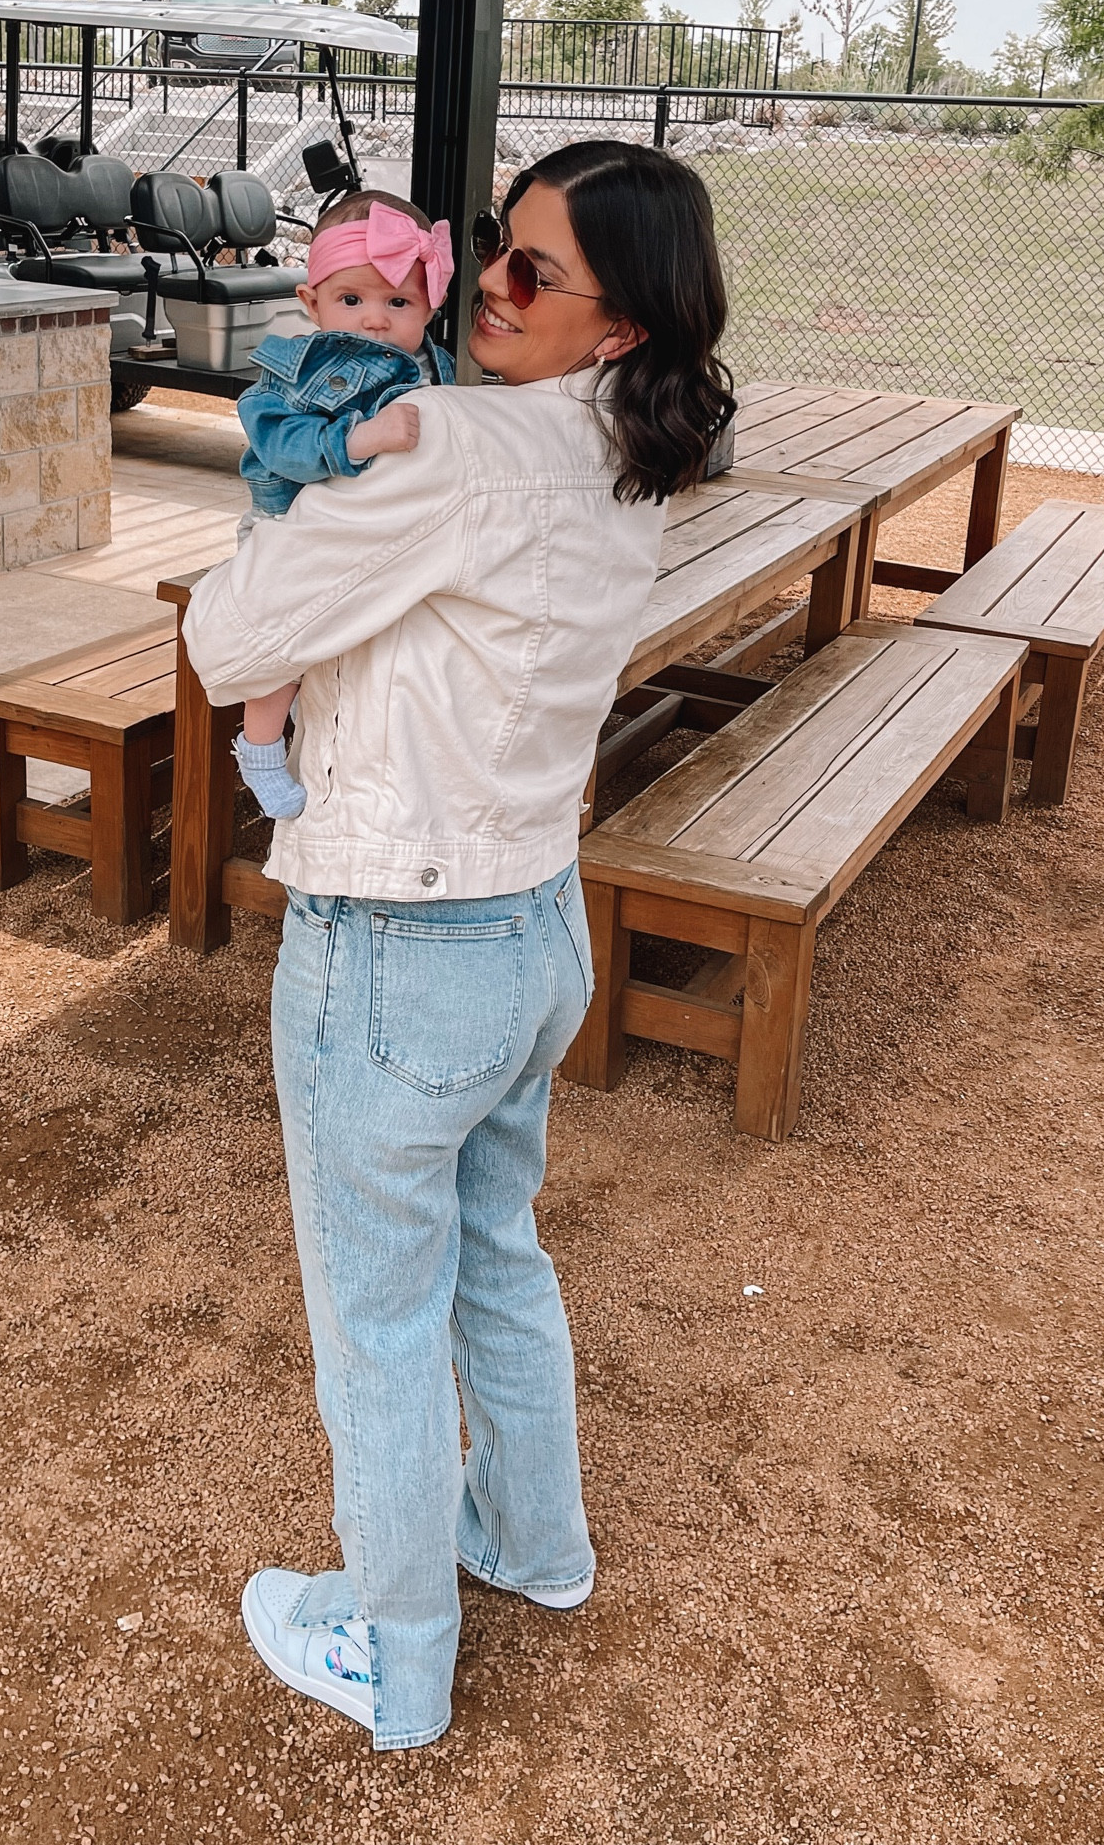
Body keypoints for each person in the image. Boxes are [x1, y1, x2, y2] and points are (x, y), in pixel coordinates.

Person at [182, 140, 733, 1751]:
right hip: (527, 919)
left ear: (615, 323)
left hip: (396, 941)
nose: (487, 285)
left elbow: (231, 641)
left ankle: (395, 1652)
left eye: (529, 272)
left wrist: (293, 497)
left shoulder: (460, 448)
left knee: (377, 1320)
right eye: (492, 251)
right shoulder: (622, 449)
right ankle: (533, 1545)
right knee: (494, 1253)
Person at [231, 190, 457, 821]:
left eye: (398, 302)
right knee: (286, 640)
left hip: (375, 535)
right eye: (351, 300)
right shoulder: (296, 372)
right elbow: (279, 444)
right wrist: (356, 438)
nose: (374, 320)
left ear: (429, 306)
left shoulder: (435, 369)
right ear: (312, 302)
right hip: (289, 527)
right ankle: (260, 744)